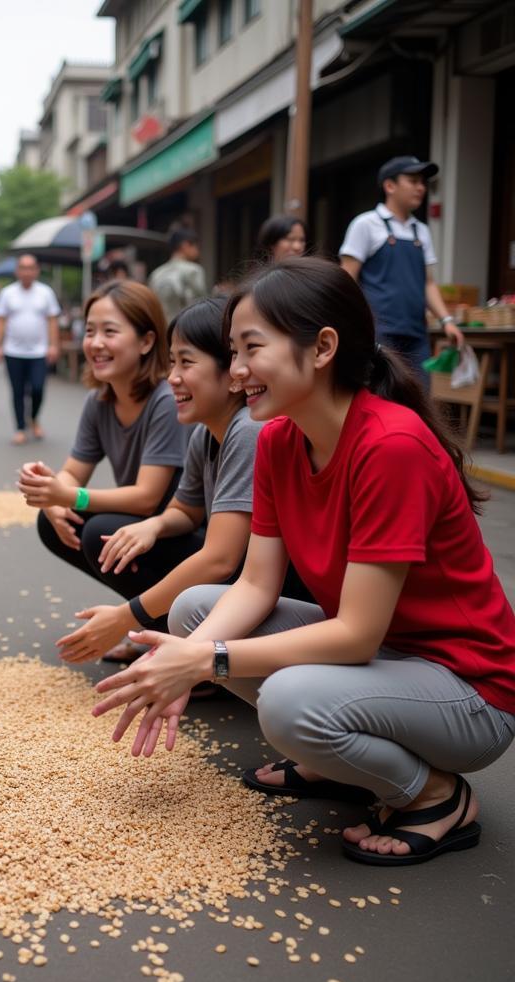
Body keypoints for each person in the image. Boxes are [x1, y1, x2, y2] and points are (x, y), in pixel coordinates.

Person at [92, 257, 515, 867]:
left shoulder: (390, 446)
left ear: (322, 348)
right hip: (386, 663)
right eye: (232, 352)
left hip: (469, 689)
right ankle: (341, 763)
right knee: (193, 612)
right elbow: (255, 584)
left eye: (250, 349)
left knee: (290, 702)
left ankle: (436, 795)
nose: (236, 372)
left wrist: (206, 662)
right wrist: (184, 660)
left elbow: (356, 634)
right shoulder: (280, 441)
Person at [18, 281, 189, 661]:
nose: (95, 343)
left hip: (181, 531)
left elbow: (147, 498)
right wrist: (51, 493)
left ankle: (172, 636)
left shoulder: (165, 400)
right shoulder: (100, 401)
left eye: (110, 331)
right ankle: (154, 626)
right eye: (90, 331)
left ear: (146, 341)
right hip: (143, 528)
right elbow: (72, 473)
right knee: (58, 523)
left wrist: (68, 495)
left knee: (98, 532)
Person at [339, 156, 464, 381]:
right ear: (389, 186)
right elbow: (347, 278)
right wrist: (351, 323)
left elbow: (428, 283)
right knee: (380, 395)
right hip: (379, 331)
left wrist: (447, 321)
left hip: (416, 333)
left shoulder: (421, 230)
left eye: (423, 182)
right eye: (413, 181)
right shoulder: (365, 224)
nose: (421, 187)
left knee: (418, 398)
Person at [0, 254, 61, 444]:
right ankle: (20, 427)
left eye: (31, 268)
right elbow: (0, 320)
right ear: (17, 271)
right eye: (23, 268)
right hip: (13, 351)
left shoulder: (46, 292)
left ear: (37, 270)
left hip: (39, 351)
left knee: (38, 388)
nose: (27, 272)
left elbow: (52, 320)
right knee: (18, 391)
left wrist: (54, 345)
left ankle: (34, 418)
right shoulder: (8, 293)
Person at [148, 226, 207, 325]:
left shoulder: (156, 273)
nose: (198, 251)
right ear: (185, 245)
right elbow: (202, 306)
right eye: (196, 246)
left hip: (161, 329)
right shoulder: (193, 270)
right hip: (185, 330)